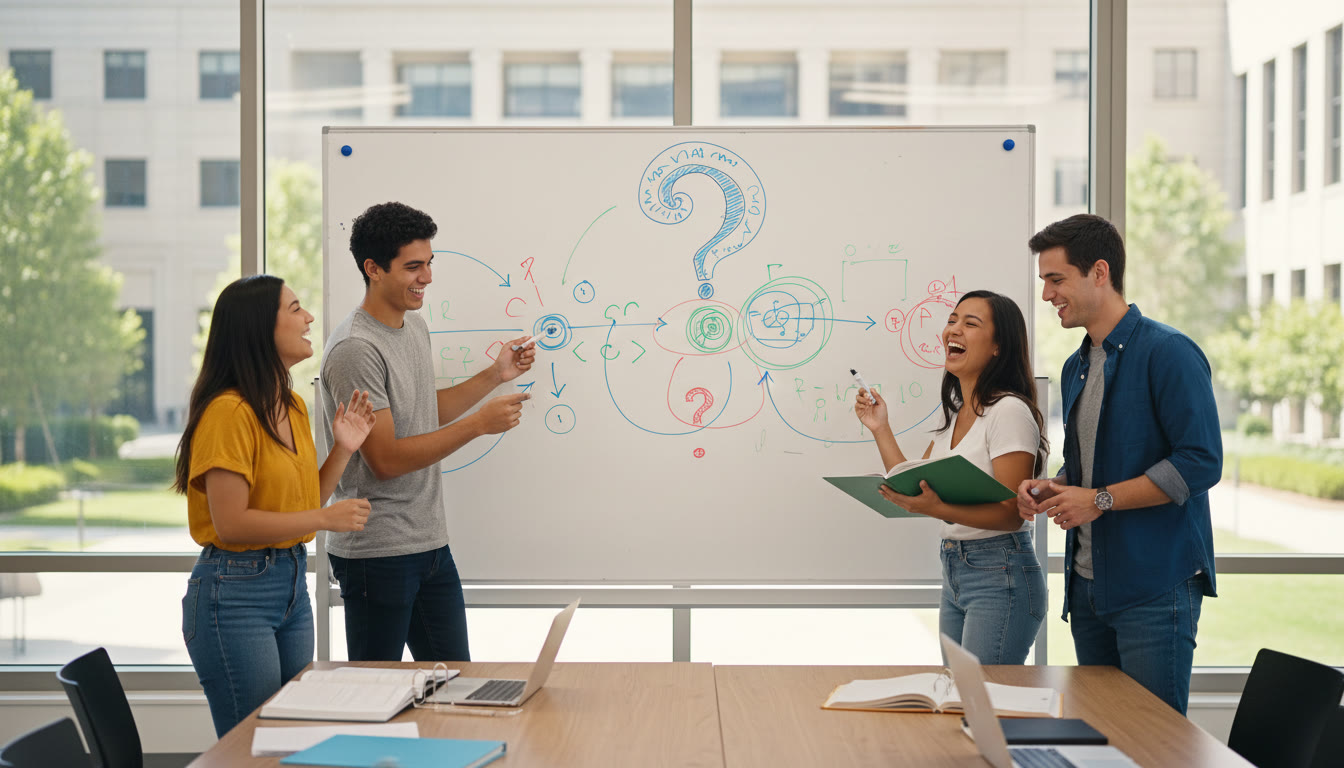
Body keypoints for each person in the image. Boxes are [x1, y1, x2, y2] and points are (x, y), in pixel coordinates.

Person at [1019, 213, 1220, 714]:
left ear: (1100, 273)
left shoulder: (1168, 353)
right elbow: (1087, 470)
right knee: (1101, 743)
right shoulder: (1076, 366)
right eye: (1044, 281)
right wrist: (1055, 487)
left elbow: (1201, 462)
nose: (1047, 295)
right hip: (1090, 592)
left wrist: (1100, 501)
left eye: (1056, 279)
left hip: (1155, 592)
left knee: (1155, 746)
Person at [320, 201, 534, 662]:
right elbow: (387, 459)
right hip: (378, 552)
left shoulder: (413, 327)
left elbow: (421, 412)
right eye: (413, 267)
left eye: (429, 263)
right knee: (376, 694)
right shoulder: (356, 349)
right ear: (373, 269)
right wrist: (478, 425)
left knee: (455, 682)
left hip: (429, 543)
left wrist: (494, 376)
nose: (428, 278)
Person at [174, 275, 376, 737]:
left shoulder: (292, 405)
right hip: (234, 592)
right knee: (253, 744)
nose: (308, 318)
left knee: (292, 735)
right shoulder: (229, 412)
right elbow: (231, 524)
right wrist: (325, 520)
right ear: (258, 327)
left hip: (289, 585)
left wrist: (343, 449)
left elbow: (302, 502)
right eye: (296, 309)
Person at [855, 289, 1048, 664]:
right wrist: (880, 428)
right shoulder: (955, 415)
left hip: (1000, 572)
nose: (952, 330)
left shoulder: (1008, 411)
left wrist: (940, 507)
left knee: (982, 702)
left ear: (997, 347)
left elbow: (1012, 513)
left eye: (970, 324)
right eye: (952, 320)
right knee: (960, 699)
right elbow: (912, 481)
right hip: (956, 569)